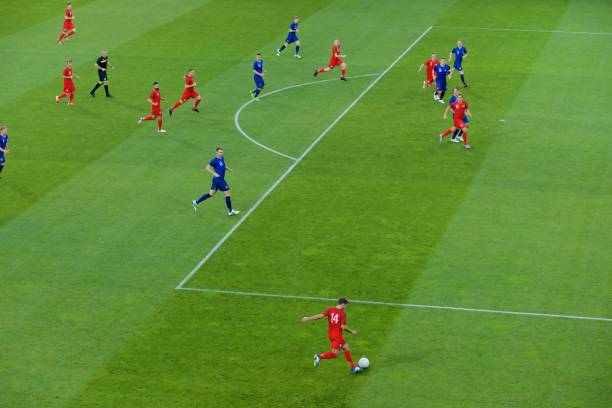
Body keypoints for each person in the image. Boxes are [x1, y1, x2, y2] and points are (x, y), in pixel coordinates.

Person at [302, 298, 363, 373]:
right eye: (346, 305)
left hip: (330, 334)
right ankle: (319, 356)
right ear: (343, 304)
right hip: (337, 336)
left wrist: (309, 318)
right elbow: (343, 327)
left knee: (346, 347)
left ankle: (353, 368)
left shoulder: (330, 309)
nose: (346, 307)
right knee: (334, 354)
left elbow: (320, 315)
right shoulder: (342, 313)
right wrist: (352, 332)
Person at [192, 147, 240, 216]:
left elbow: (224, 166)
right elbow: (207, 168)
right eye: (220, 152)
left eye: (222, 152)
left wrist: (229, 169)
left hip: (216, 180)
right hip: (219, 180)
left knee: (210, 194)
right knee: (228, 194)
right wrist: (214, 173)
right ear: (216, 152)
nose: (221, 153)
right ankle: (230, 211)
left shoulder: (222, 158)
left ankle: (196, 202)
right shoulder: (214, 160)